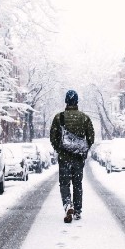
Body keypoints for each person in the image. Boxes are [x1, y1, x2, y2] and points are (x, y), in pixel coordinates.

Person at [50, 89, 95, 223]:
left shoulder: (59, 118)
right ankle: (77, 210)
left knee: (64, 184)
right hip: (78, 158)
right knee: (77, 184)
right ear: (76, 102)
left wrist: (60, 149)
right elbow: (91, 137)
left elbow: (53, 137)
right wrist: (83, 150)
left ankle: (68, 204)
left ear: (66, 101)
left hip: (64, 158)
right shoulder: (84, 118)